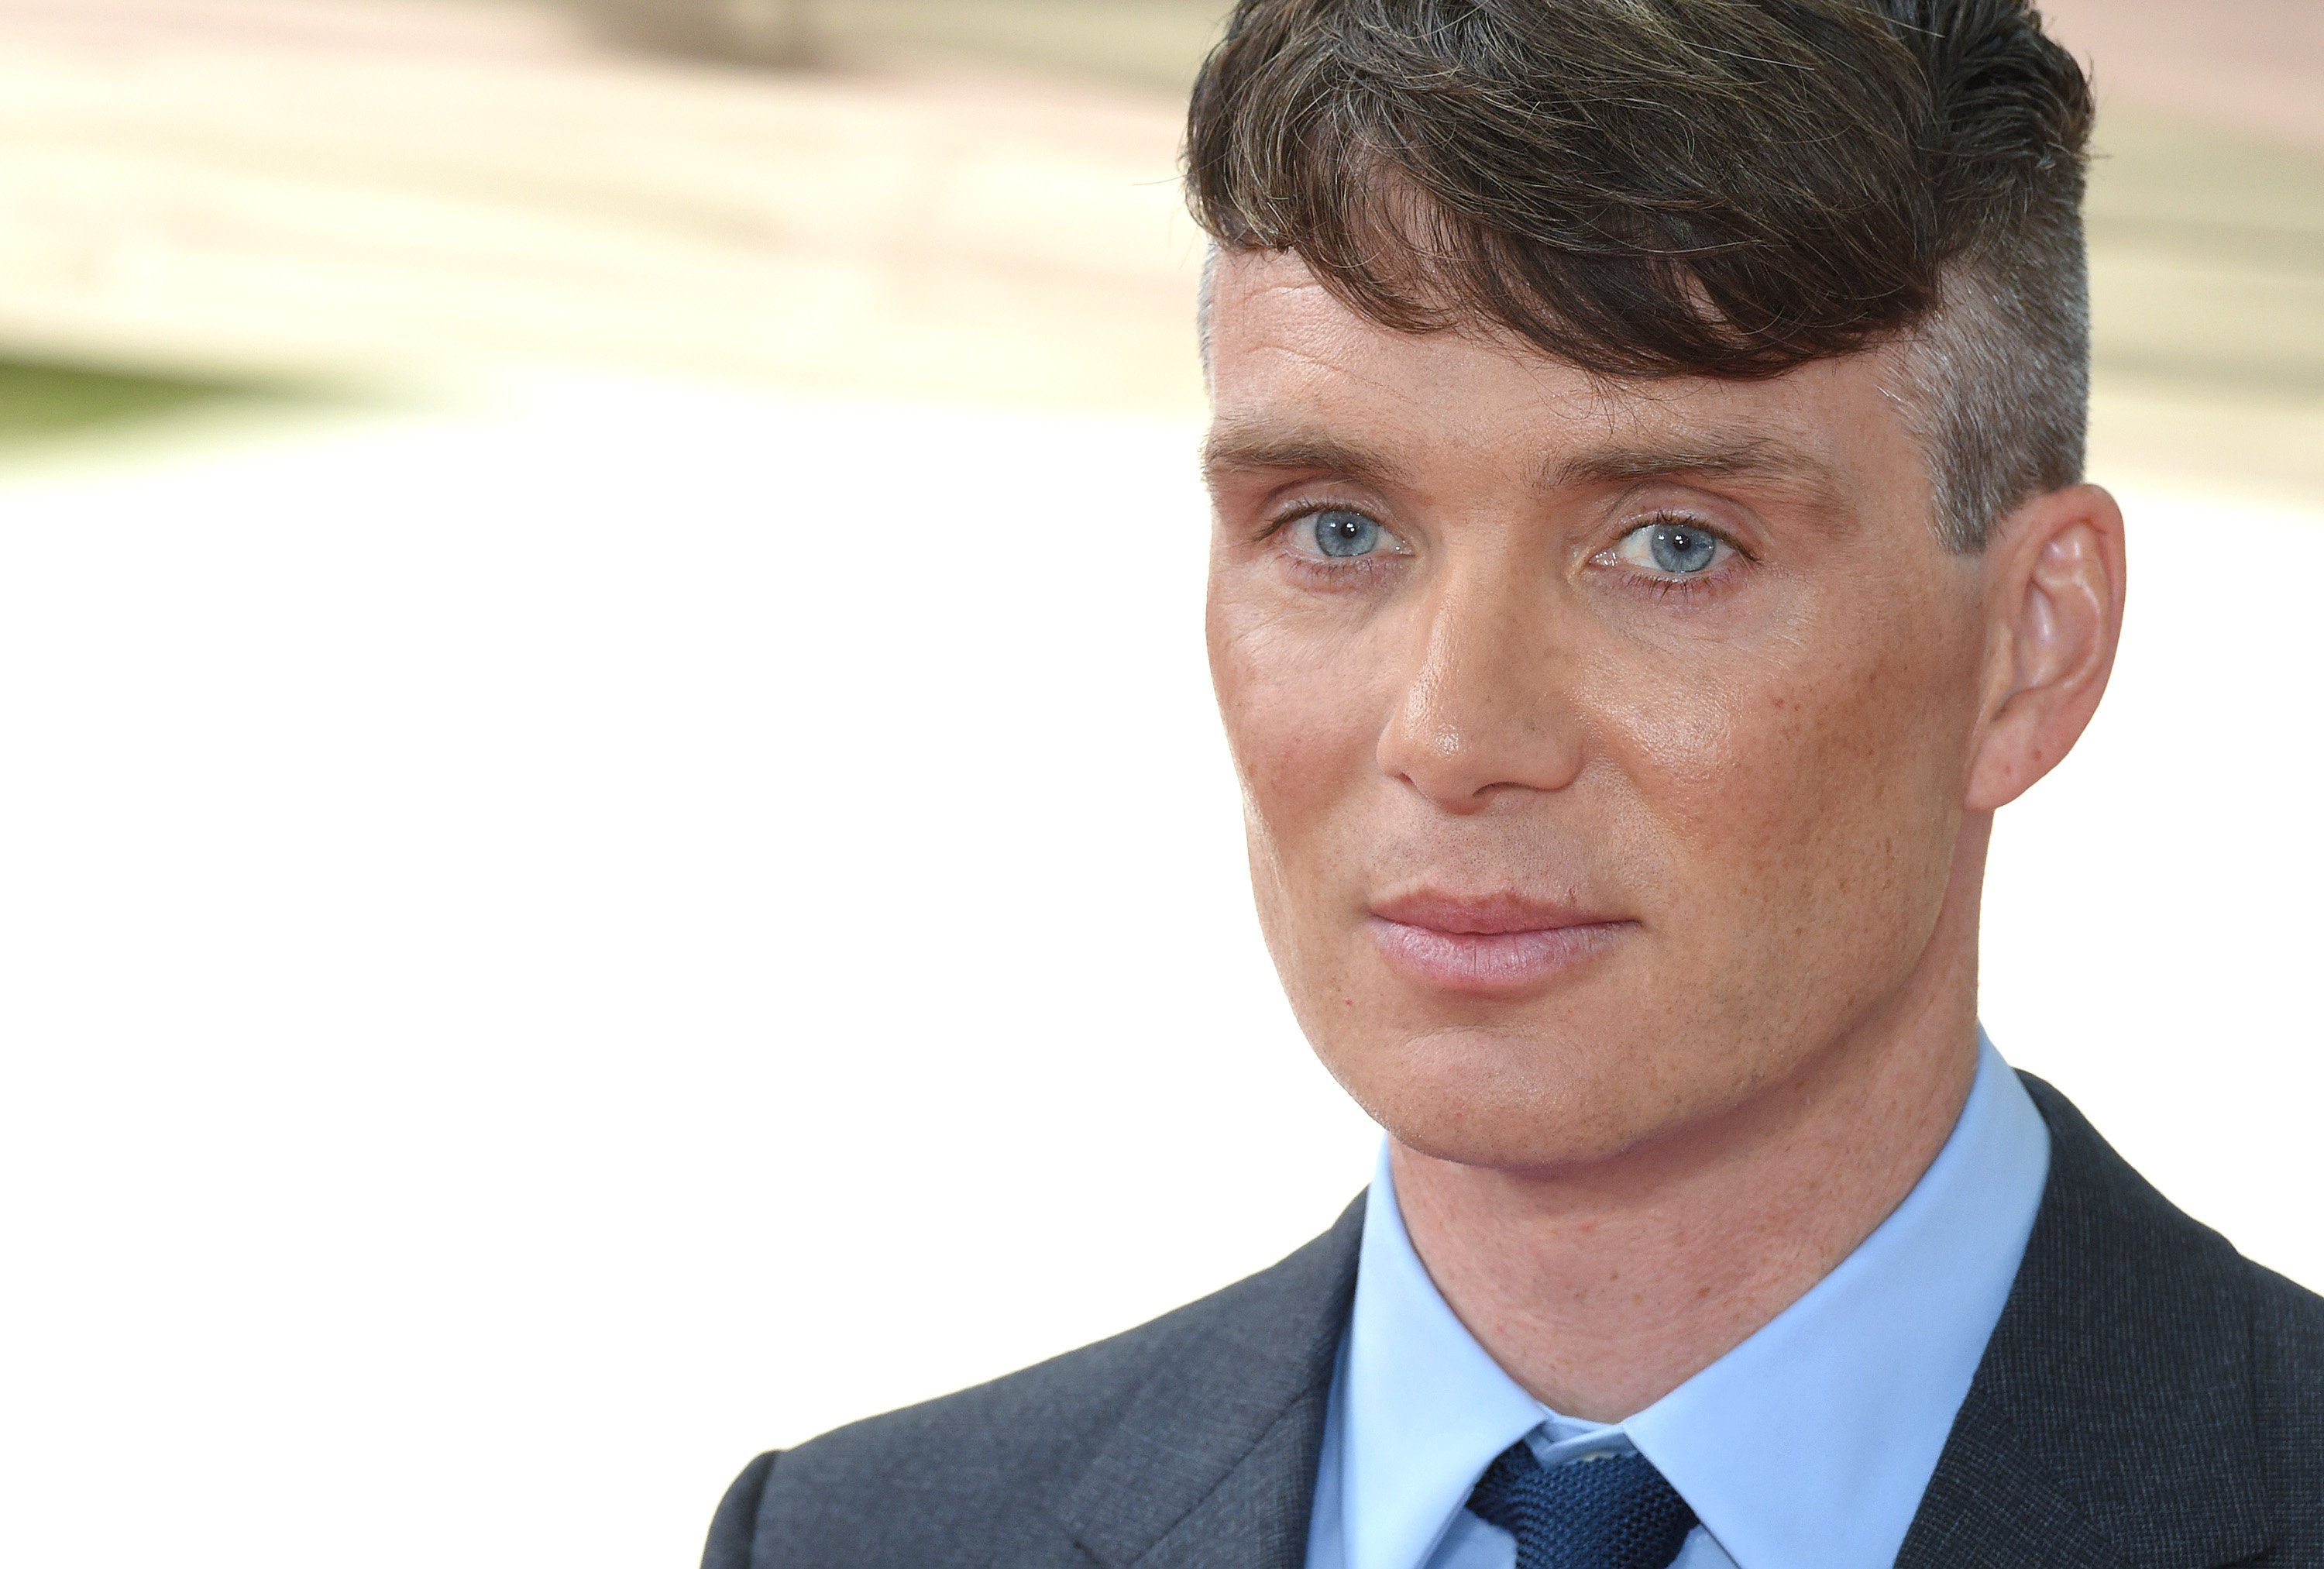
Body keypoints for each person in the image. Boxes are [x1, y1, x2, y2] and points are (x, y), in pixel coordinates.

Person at [703, 2, 2324, 1564]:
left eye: (1672, 545)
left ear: (2033, 647)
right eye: (1338, 527)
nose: (1455, 732)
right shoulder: (865, 1538)